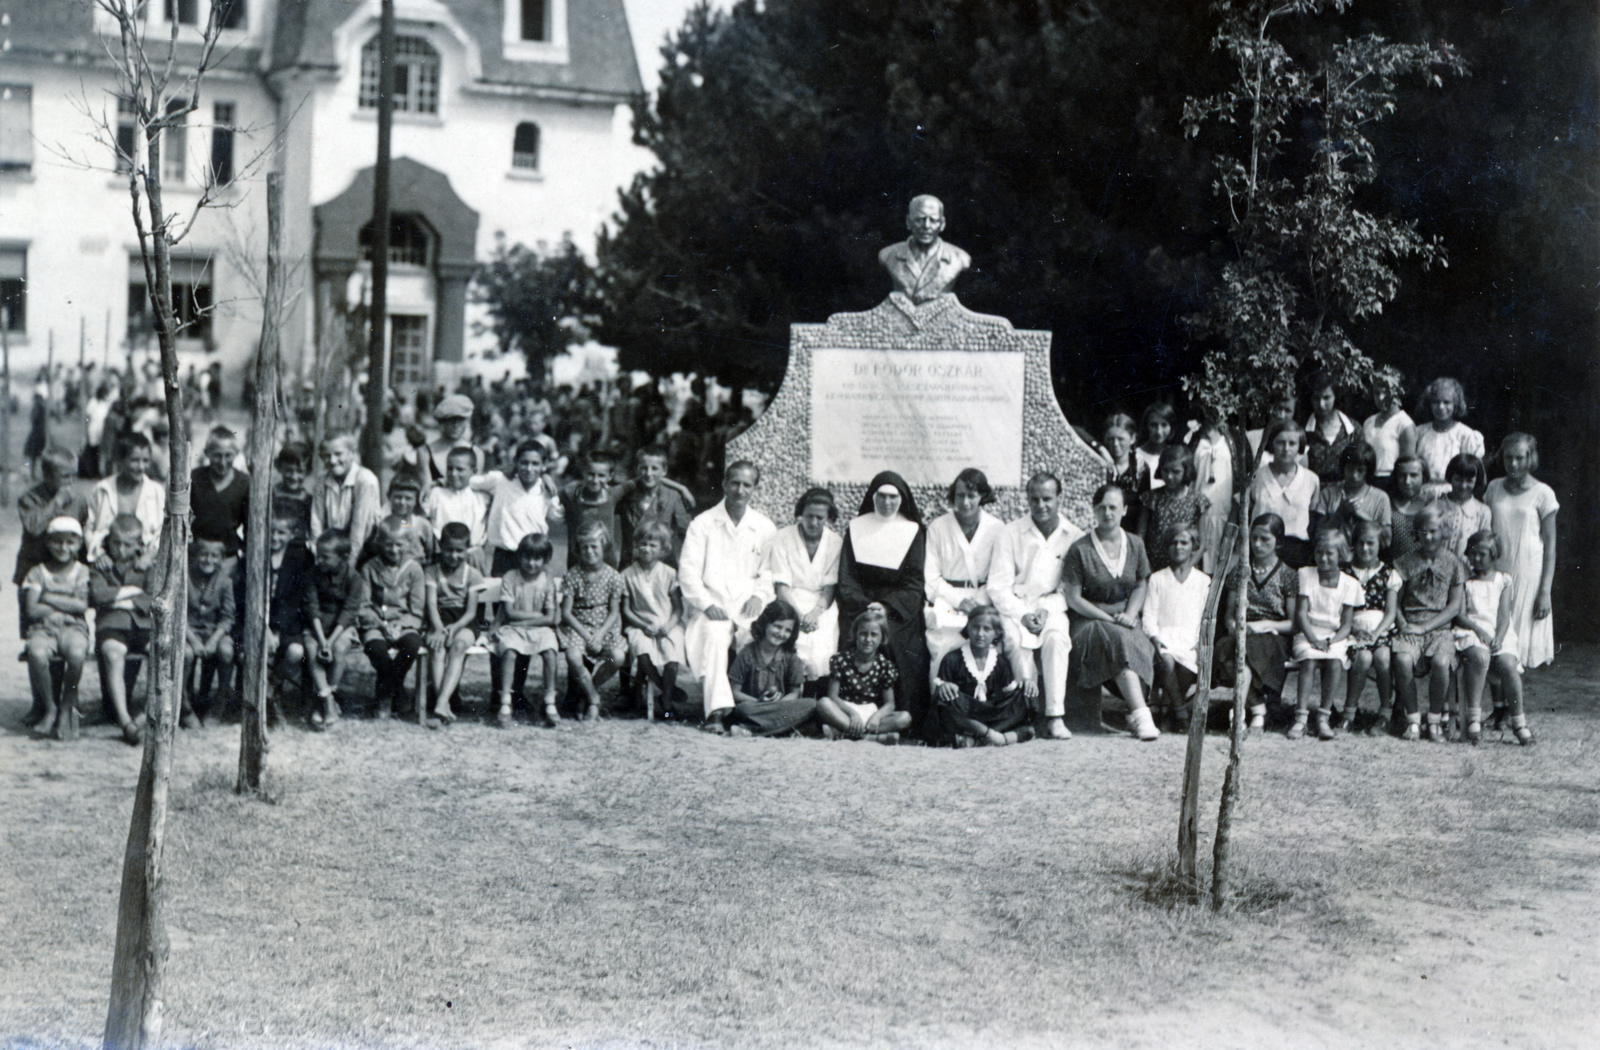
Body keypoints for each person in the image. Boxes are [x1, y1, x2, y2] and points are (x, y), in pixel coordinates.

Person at [679, 461, 777, 730]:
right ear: (724, 484)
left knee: (758, 639)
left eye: (747, 484)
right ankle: (718, 712)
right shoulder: (703, 523)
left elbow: (769, 571)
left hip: (748, 606)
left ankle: (755, 713)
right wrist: (707, 603)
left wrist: (759, 596)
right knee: (714, 636)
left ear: (755, 489)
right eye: (734, 483)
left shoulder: (764, 527)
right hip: (713, 606)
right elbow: (688, 572)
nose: (740, 490)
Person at [1059, 482, 1160, 742]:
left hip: (1124, 618)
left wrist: (1129, 613)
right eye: (1101, 507)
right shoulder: (1080, 548)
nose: (1107, 513)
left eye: (1113, 507)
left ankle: (1135, 711)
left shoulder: (1135, 544)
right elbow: (1073, 598)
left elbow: (1140, 583)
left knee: (1133, 642)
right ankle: (1141, 715)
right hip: (1089, 620)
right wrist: (1109, 618)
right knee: (1118, 640)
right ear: (1094, 510)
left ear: (1125, 510)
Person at [988, 471, 1082, 741]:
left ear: (1059, 499)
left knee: (1056, 639)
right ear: (1027, 499)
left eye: (1047, 499)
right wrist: (1024, 613)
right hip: (1016, 605)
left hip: (1051, 606)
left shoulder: (1073, 535)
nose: (1041, 506)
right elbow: (997, 585)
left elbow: (1070, 587)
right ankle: (1027, 713)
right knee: (1015, 642)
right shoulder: (1010, 532)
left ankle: (1055, 716)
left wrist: (1045, 610)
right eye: (1035, 499)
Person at [837, 471, 932, 732]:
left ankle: (903, 719)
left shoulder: (913, 531)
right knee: (858, 635)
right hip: (859, 605)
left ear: (902, 499)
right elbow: (847, 578)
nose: (887, 502)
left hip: (897, 607)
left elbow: (914, 581)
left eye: (893, 497)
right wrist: (867, 605)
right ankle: (852, 716)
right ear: (872, 496)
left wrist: (887, 606)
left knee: (902, 643)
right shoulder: (856, 527)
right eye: (881, 496)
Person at [1391, 504, 1467, 742]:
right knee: (1403, 659)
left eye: (1434, 531)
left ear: (1444, 532)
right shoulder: (1404, 562)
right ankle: (1413, 719)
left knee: (1442, 661)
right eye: (1424, 531)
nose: (1429, 537)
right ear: (1416, 533)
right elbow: (1395, 602)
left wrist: (1427, 627)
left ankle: (1434, 720)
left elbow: (1454, 606)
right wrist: (1403, 624)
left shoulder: (1454, 563)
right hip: (1411, 626)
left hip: (1440, 628)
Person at [1483, 432, 1558, 671]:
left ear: (1530, 458)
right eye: (1508, 458)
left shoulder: (1543, 493)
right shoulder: (1494, 488)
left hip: (1528, 577)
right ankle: (1501, 707)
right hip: (1499, 573)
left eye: (1519, 458)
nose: (1513, 464)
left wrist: (1545, 591)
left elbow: (1551, 547)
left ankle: (1514, 707)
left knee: (1521, 651)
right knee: (1498, 645)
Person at [922, 468, 1006, 679]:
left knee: (990, 652)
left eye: (972, 495)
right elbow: (931, 579)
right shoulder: (938, 527)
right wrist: (960, 601)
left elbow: (1000, 575)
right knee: (944, 650)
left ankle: (982, 708)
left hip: (985, 602)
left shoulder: (997, 528)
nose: (966, 502)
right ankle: (941, 708)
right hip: (947, 604)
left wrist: (978, 603)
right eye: (960, 495)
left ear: (982, 497)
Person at [1222, 513, 1298, 734]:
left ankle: (1239, 715)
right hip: (1242, 633)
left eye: (1265, 539)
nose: (1257, 544)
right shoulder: (1240, 571)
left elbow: (1293, 624)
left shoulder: (1288, 575)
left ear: (1279, 542)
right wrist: (1235, 627)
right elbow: (1229, 614)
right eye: (1253, 538)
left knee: (1242, 654)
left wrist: (1264, 625)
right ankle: (1257, 709)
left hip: (1273, 636)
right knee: (1228, 653)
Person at [1456, 530, 1531, 746]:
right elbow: (1460, 615)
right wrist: (1480, 632)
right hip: (1472, 630)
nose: (1476, 558)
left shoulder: (1503, 580)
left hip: (1499, 631)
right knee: (1480, 658)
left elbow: (1504, 616)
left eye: (1482, 554)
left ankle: (1518, 721)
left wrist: (1498, 637)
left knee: (1508, 663)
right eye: (1472, 554)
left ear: (1494, 555)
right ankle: (1474, 718)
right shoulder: (1465, 582)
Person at [764, 487, 843, 683]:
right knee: (793, 640)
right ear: (801, 514)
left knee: (822, 643)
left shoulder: (835, 541)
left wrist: (815, 613)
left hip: (822, 604)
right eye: (809, 516)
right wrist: (798, 616)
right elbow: (781, 585)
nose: (813, 522)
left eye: (820, 517)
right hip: (789, 600)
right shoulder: (783, 537)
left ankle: (815, 695)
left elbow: (830, 586)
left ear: (828, 518)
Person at [1288, 528, 1360, 741]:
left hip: (1334, 637)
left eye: (1330, 553)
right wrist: (1314, 640)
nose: (1324, 558)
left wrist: (1330, 641)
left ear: (1341, 555)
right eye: (1320, 552)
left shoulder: (1350, 583)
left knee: (1335, 661)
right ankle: (1300, 719)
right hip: (1308, 633)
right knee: (1309, 659)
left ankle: (1323, 718)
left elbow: (1346, 625)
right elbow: (1301, 614)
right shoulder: (1306, 574)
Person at [22, 517, 91, 741]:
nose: (63, 548)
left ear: (79, 544)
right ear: (48, 543)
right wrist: (66, 601)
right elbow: (32, 609)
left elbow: (81, 605)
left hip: (73, 627)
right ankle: (50, 707)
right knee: (37, 652)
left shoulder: (81, 571)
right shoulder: (37, 572)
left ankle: (67, 704)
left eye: (70, 542)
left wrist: (48, 597)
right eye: (57, 542)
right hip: (43, 629)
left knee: (77, 654)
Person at [15, 446, 88, 646]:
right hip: (34, 572)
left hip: (66, 576)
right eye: (65, 477)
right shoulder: (29, 498)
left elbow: (82, 534)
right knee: (36, 634)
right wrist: (56, 503)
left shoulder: (79, 500)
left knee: (68, 628)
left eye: (74, 476)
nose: (71, 482)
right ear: (46, 475)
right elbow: (33, 527)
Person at [1141, 526, 1211, 732]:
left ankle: (1168, 707)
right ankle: (1180, 712)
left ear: (1193, 547)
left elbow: (1206, 618)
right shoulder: (1157, 578)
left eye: (1184, 542)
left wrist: (1200, 642)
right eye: (1173, 543)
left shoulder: (1203, 581)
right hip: (1164, 637)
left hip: (1191, 640)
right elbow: (1149, 615)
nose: (1178, 547)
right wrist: (1154, 637)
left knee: (1189, 665)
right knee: (1167, 661)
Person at [931, 605, 1032, 746]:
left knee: (1027, 695)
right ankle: (994, 737)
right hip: (966, 715)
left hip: (991, 714)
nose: (980, 634)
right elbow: (939, 697)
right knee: (944, 703)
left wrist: (1025, 685)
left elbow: (1008, 697)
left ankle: (974, 740)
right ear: (968, 628)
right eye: (975, 627)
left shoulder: (1001, 662)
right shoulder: (952, 659)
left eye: (987, 629)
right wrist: (944, 687)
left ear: (996, 633)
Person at [90, 514, 152, 744]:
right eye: (116, 542)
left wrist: (116, 598)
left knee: (160, 652)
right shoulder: (101, 564)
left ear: (138, 545)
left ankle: (147, 714)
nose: (121, 549)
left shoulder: (147, 565)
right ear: (109, 540)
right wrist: (131, 592)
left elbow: (152, 596)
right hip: (112, 625)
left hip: (143, 626)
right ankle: (125, 720)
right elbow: (97, 595)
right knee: (113, 653)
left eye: (127, 544)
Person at [355, 522, 427, 719]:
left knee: (412, 644)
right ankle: (398, 692)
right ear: (379, 543)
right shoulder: (369, 567)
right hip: (376, 622)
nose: (394, 550)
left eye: (399, 545)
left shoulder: (414, 569)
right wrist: (382, 624)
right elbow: (363, 605)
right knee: (376, 649)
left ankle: (384, 692)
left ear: (408, 544)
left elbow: (417, 608)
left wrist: (401, 624)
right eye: (388, 544)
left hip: (404, 622)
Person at [559, 521, 628, 722]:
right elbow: (566, 613)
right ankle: (594, 699)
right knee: (573, 656)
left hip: (605, 626)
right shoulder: (573, 575)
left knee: (618, 656)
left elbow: (614, 612)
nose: (589, 552)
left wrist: (599, 635)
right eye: (584, 547)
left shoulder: (613, 576)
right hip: (579, 626)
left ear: (604, 546)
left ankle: (586, 693)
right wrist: (587, 635)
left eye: (594, 546)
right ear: (578, 549)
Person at [492, 532, 561, 728]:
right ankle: (505, 701)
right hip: (514, 630)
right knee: (510, 650)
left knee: (550, 650)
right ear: (519, 556)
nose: (531, 563)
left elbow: (550, 617)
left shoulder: (547, 580)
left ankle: (549, 702)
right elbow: (509, 612)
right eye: (527, 557)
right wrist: (537, 616)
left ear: (545, 559)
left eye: (537, 558)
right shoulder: (510, 577)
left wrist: (534, 619)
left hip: (540, 630)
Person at [620, 521, 685, 718]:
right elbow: (626, 610)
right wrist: (642, 625)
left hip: (666, 623)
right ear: (636, 546)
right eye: (642, 544)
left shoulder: (669, 573)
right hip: (640, 625)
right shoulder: (627, 574)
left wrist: (670, 624)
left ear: (663, 549)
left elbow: (678, 608)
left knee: (672, 656)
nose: (646, 548)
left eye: (652, 545)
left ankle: (665, 698)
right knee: (642, 651)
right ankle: (664, 688)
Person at [472, 439, 564, 578]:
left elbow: (557, 516)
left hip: (535, 554)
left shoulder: (545, 489)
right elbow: (471, 481)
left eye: (535, 464)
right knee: (501, 596)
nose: (529, 468)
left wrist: (547, 478)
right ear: (516, 462)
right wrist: (442, 481)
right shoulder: (501, 481)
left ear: (544, 465)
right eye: (524, 462)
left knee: (534, 595)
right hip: (505, 555)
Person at [724, 599, 814, 736]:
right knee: (743, 709)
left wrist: (778, 705)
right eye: (777, 626)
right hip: (754, 707)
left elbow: (795, 693)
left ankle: (751, 731)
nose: (781, 633)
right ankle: (784, 730)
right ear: (765, 623)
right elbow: (735, 692)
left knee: (811, 704)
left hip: (781, 707)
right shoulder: (747, 653)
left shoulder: (790, 657)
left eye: (787, 630)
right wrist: (759, 702)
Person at [423, 522, 483, 726]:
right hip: (438, 618)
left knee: (458, 646)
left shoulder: (472, 574)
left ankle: (441, 701)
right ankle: (444, 704)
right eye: (449, 549)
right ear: (440, 546)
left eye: (459, 550)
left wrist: (454, 628)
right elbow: (431, 603)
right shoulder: (432, 571)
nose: (453, 555)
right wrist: (439, 628)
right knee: (437, 648)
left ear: (467, 549)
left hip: (464, 622)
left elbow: (471, 611)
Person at [1344, 520, 1400, 736]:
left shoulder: (1388, 573)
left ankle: (1385, 714)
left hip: (1381, 630)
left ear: (1380, 544)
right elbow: (1341, 610)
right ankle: (1349, 713)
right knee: (1363, 658)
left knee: (1383, 658)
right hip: (1354, 630)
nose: (1365, 548)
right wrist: (1352, 630)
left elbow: (1391, 612)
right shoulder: (1346, 572)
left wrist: (1377, 633)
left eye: (1370, 543)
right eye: (1360, 543)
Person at [819, 609, 909, 743]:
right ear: (855, 635)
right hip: (845, 711)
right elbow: (833, 696)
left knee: (904, 718)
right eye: (863, 634)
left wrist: (877, 717)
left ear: (882, 638)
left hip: (870, 714)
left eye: (874, 635)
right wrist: (852, 714)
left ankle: (843, 734)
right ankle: (871, 738)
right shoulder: (840, 659)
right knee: (823, 703)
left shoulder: (885, 666)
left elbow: (889, 704)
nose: (868, 639)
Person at [304, 531, 359, 728]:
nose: (319, 560)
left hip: (340, 627)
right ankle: (327, 702)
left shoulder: (354, 578)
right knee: (311, 648)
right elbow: (312, 609)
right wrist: (321, 640)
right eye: (318, 554)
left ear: (343, 557)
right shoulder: (313, 573)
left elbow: (348, 612)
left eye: (325, 556)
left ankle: (325, 699)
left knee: (340, 647)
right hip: (317, 626)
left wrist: (331, 641)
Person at [85, 432, 165, 562]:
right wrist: (99, 554)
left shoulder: (156, 492)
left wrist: (149, 556)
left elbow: (161, 532)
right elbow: (90, 527)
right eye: (134, 460)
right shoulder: (103, 489)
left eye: (145, 461)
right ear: (120, 460)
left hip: (145, 561)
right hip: (107, 560)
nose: (141, 467)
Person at [1249, 420, 1319, 568]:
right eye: (1280, 442)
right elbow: (1243, 512)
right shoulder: (1257, 477)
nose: (1286, 448)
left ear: (1300, 446)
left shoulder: (1311, 479)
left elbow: (1313, 519)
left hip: (1297, 552)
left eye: (1292, 443)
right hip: (1261, 548)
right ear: (1271, 444)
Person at [184, 531, 237, 726]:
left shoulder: (225, 582)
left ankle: (219, 704)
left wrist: (214, 640)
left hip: (214, 631)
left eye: (214, 556)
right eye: (203, 554)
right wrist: (194, 640)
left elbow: (227, 617)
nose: (208, 560)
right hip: (189, 631)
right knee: (186, 654)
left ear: (222, 559)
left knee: (226, 650)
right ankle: (184, 706)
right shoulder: (186, 577)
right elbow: (179, 615)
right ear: (195, 555)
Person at [878, 195, 971, 303]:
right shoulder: (889, 255)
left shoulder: (959, 258)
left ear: (942, 224)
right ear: (908, 222)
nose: (927, 226)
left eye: (933, 220)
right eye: (919, 220)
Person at [310, 432, 382, 572]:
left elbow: (360, 528)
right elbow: (316, 521)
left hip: (362, 548)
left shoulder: (365, 480)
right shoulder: (321, 482)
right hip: (331, 547)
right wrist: (318, 556)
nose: (332, 460)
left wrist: (348, 567)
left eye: (338, 454)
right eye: (326, 455)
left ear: (352, 454)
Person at [616, 446, 694, 568]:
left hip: (662, 566)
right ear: (637, 469)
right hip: (631, 566)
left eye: (654, 468)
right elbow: (607, 497)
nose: (648, 473)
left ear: (664, 470)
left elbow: (688, 534)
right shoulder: (626, 496)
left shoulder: (673, 497)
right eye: (643, 468)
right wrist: (681, 487)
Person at [265, 514, 311, 715]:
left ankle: (273, 685)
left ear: (292, 535)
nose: (275, 537)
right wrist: (264, 628)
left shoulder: (299, 559)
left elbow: (294, 601)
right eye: (271, 531)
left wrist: (276, 629)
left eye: (281, 532)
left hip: (287, 620)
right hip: (258, 618)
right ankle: (255, 693)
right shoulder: (257, 553)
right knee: (249, 652)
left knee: (295, 652)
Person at [1139, 444, 1210, 573]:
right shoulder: (1151, 498)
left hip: (1186, 571)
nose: (1170, 476)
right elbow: (1140, 538)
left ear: (1186, 471)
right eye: (1165, 471)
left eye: (1176, 471)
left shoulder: (1198, 501)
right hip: (1154, 568)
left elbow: (1202, 544)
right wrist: (1146, 568)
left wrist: (1187, 569)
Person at [1413, 377, 1485, 502]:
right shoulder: (1420, 432)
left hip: (1453, 495)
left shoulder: (1465, 435)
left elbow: (1475, 474)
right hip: (1421, 495)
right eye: (1436, 402)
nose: (1441, 407)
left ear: (1455, 404)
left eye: (1446, 402)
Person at [1312, 441, 1391, 550]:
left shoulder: (1381, 498)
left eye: (1360, 470)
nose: (1354, 475)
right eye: (1350, 469)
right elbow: (1318, 535)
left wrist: (1359, 514)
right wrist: (1340, 514)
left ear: (1368, 471)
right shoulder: (1328, 494)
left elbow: (1386, 541)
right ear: (1343, 467)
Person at [190, 426, 250, 557]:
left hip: (228, 556)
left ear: (236, 453)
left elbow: (249, 526)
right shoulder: (195, 478)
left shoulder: (245, 483)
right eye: (217, 455)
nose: (223, 462)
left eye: (228, 455)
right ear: (207, 453)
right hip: (197, 553)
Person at [422, 447, 491, 555]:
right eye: (450, 468)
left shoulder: (483, 497)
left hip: (472, 553)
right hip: (442, 553)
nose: (453, 474)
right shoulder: (436, 494)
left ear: (474, 471)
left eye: (460, 469)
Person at [1190, 415, 1236, 574]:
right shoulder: (1194, 437)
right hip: (1199, 511)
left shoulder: (1233, 439)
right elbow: (1189, 473)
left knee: (1220, 562)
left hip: (1224, 510)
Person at [414, 393, 487, 493]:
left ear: (467, 421)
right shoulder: (425, 452)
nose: (456, 425)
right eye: (451, 420)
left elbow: (476, 489)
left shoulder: (476, 453)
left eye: (460, 420)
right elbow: (427, 491)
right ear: (442, 422)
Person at [1361, 371, 1416, 490]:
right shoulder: (1368, 422)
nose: (1381, 398)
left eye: (1386, 392)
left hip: (1391, 483)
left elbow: (1407, 466)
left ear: (1398, 392)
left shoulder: (1405, 424)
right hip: (1366, 482)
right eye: (1377, 393)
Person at [370, 472, 435, 569]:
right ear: (389, 496)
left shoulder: (423, 525)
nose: (402, 502)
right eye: (398, 497)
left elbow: (430, 553)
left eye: (408, 498)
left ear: (416, 500)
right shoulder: (383, 523)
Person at [1303, 375, 1358, 484]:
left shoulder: (1353, 429)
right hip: (1314, 493)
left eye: (1326, 397)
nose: (1321, 404)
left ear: (1336, 397)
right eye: (1316, 398)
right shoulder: (1303, 430)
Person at [1436, 453, 1492, 559]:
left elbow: (1484, 545)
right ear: (1450, 477)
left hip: (1467, 570)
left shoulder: (1482, 511)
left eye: (1469, 481)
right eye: (1458, 479)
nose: (1463, 486)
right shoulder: (1436, 506)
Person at [1386, 455, 1430, 564]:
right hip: (1393, 571)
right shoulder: (1388, 505)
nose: (1407, 481)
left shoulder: (1430, 506)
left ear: (1423, 477)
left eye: (1414, 475)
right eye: (1402, 475)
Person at [271, 442, 314, 542]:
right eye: (289, 470)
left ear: (307, 472)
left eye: (300, 471)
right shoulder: (270, 495)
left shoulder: (308, 501)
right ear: (279, 468)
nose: (294, 477)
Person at [1134, 402, 1177, 492]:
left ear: (1171, 427)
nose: (1159, 431)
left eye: (1164, 425)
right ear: (1146, 426)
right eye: (1153, 425)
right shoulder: (1137, 455)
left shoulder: (1176, 455)